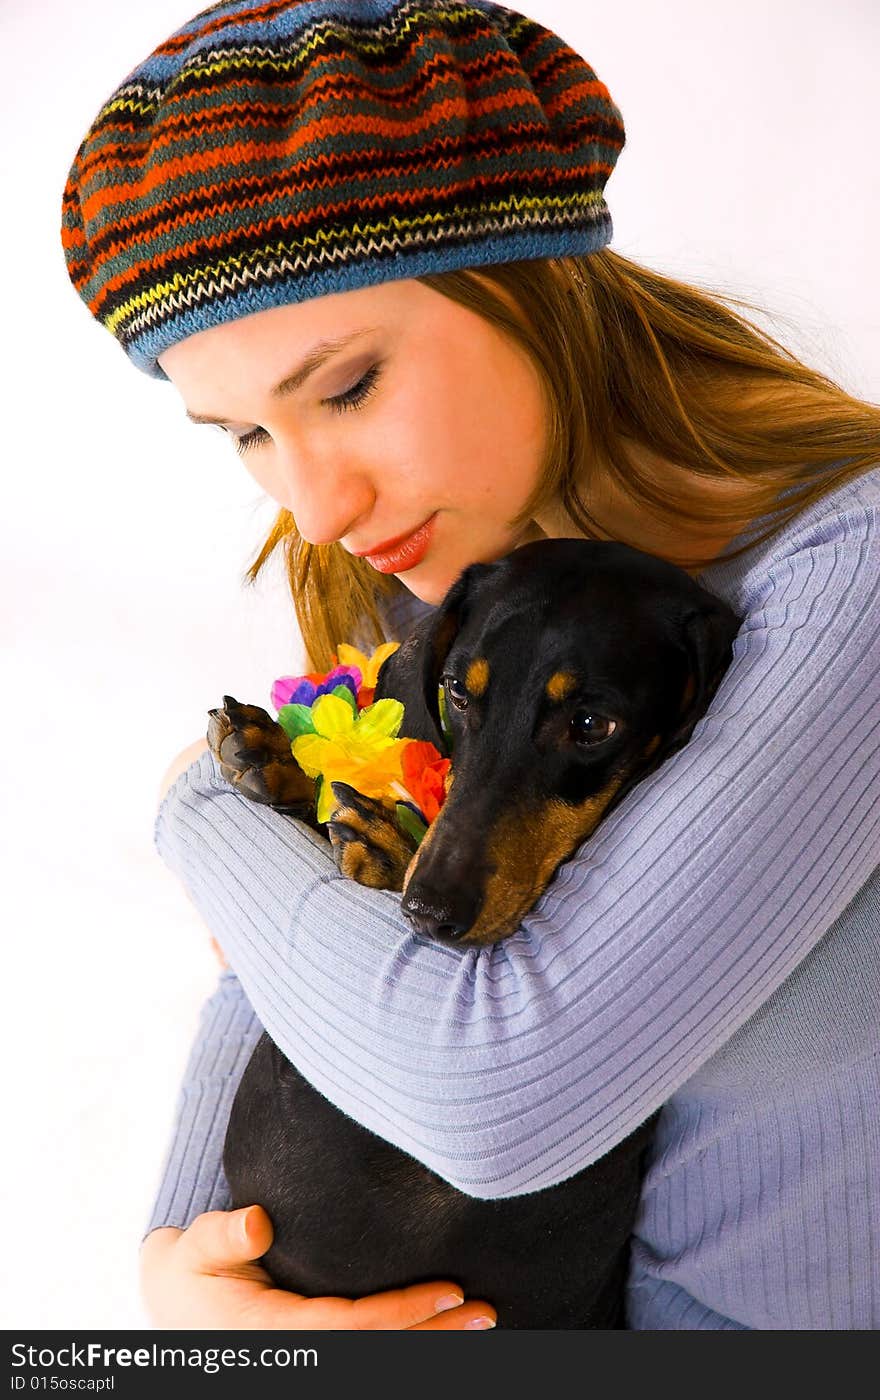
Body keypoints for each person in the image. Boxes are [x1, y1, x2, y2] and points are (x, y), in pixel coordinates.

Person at [61, 0, 880, 1331]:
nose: (313, 505)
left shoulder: (851, 584)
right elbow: (290, 964)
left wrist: (201, 803)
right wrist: (190, 1274)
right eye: (244, 435)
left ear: (531, 280)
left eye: (345, 387)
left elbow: (499, 1096)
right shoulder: (459, 587)